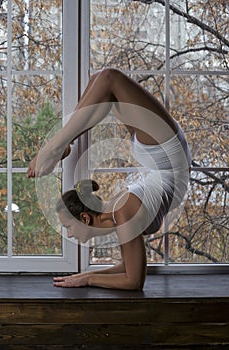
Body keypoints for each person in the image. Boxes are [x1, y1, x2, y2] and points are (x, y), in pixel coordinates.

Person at [27, 68, 192, 290]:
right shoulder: (120, 214)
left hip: (163, 157)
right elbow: (128, 269)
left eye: (67, 226)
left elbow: (133, 281)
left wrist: (88, 278)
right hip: (164, 157)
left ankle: (59, 144)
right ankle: (64, 143)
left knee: (105, 80)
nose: (68, 233)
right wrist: (86, 276)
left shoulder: (121, 213)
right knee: (107, 82)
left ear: (84, 218)